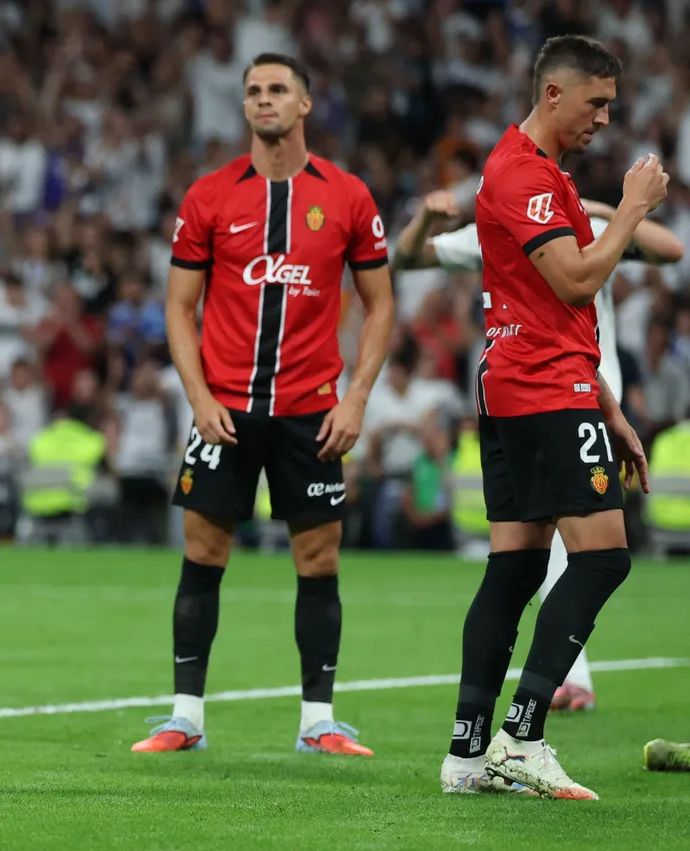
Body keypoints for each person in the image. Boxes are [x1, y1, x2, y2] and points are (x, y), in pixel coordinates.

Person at [132, 53, 395, 756]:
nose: (263, 100)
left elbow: (380, 306)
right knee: (203, 552)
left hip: (312, 410)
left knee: (318, 558)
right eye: (253, 91)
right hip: (225, 408)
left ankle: (320, 722)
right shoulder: (210, 196)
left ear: (305, 104)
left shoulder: (347, 197)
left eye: (277, 89)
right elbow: (179, 307)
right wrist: (197, 395)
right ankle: (184, 718)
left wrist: (357, 398)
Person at [438, 35, 664, 799]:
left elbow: (555, 312)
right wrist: (631, 208)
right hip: (542, 390)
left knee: (517, 567)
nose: (606, 117)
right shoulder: (525, 176)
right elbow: (573, 283)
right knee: (603, 557)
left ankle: (467, 753)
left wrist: (611, 404)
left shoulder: (534, 173)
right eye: (596, 102)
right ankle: (524, 734)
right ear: (553, 95)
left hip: (526, 384)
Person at [396, 188, 682, 710]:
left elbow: (668, 249)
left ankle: (477, 741)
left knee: (533, 559)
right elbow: (410, 255)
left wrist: (604, 212)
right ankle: (549, 700)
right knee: (590, 555)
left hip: (579, 394)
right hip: (556, 397)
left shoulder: (588, 228)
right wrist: (425, 218)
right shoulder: (498, 224)